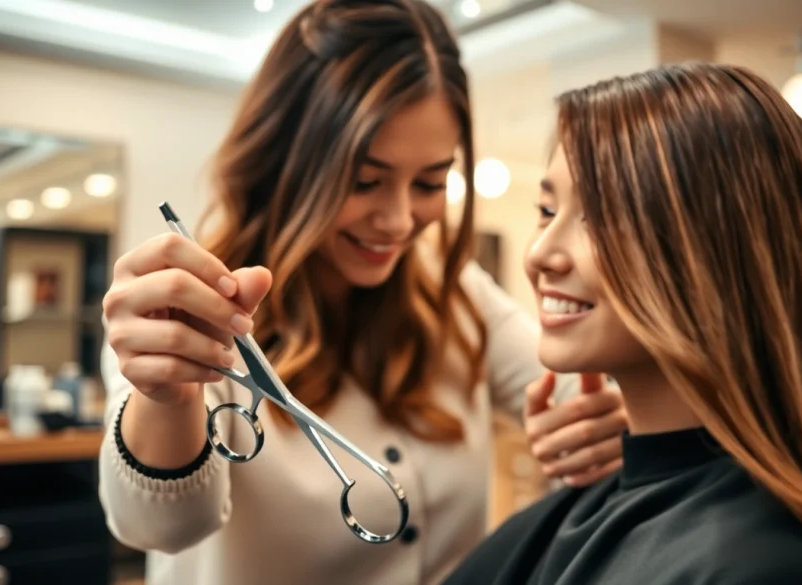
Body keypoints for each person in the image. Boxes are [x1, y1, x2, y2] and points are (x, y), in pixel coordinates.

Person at [96, 1, 628, 584]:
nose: (399, 221)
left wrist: (609, 427)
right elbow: (162, 530)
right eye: (366, 180)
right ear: (288, 159)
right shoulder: (185, 317)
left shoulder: (458, 296)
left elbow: (579, 395)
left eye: (430, 182)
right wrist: (166, 400)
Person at [443, 61, 802, 585]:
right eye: (546, 209)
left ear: (722, 249)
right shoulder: (576, 516)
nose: (540, 254)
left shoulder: (766, 569)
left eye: (600, 217)